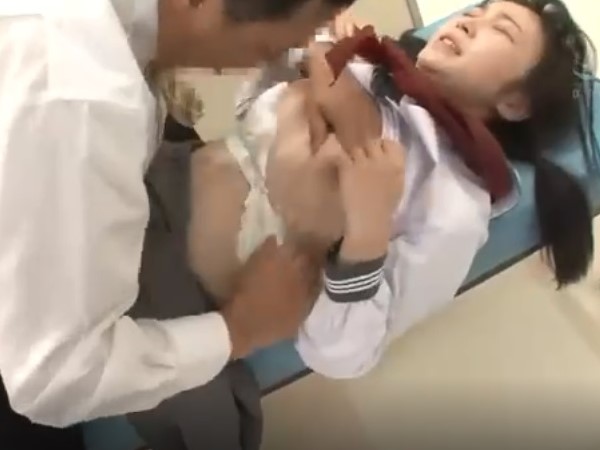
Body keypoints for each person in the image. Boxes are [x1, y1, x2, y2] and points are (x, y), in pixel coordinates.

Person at [0, 0, 356, 449]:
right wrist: (241, 328)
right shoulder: (80, 101)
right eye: (266, 50)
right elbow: (51, 376)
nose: (253, 67)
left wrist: (315, 47)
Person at [181, 0, 598, 380]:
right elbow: (248, 116)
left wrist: (367, 232)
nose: (469, 22)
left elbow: (342, 355)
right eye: (476, 11)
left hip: (183, 298)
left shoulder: (453, 206)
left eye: (501, 29)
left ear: (515, 103)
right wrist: (309, 45)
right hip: (169, 178)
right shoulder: (363, 70)